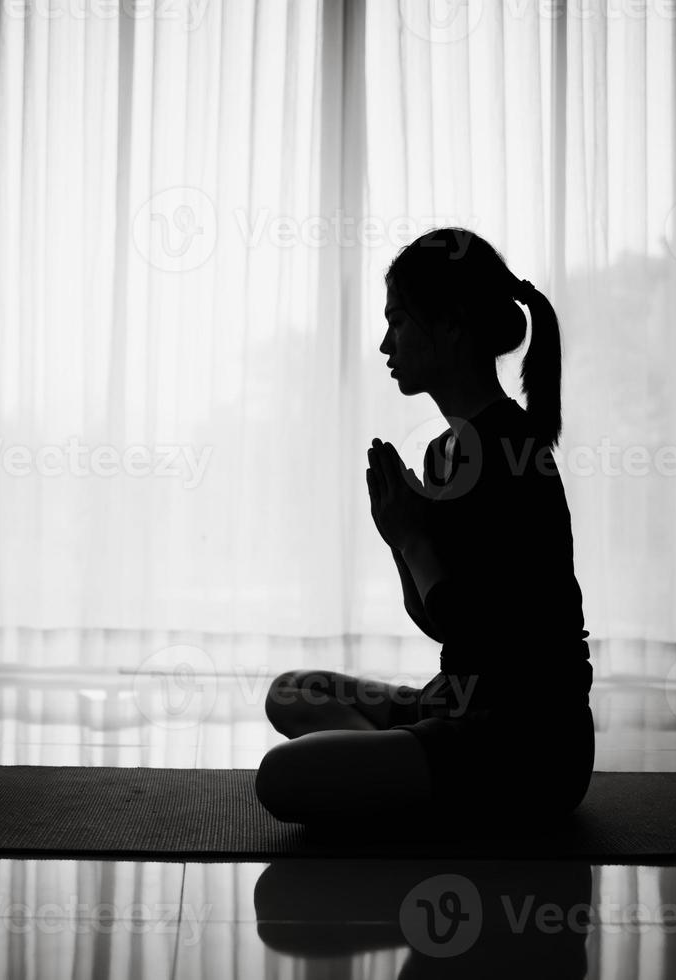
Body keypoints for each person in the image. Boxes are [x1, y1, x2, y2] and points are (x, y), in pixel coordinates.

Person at [254, 228, 594, 832]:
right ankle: (400, 773)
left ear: (453, 324)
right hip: (454, 703)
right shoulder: (444, 452)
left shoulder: (509, 448)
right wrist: (399, 540)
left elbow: (487, 642)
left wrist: (415, 539)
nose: (386, 343)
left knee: (282, 778)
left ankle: (400, 782)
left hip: (526, 741)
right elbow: (441, 625)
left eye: (399, 321)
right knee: (289, 691)